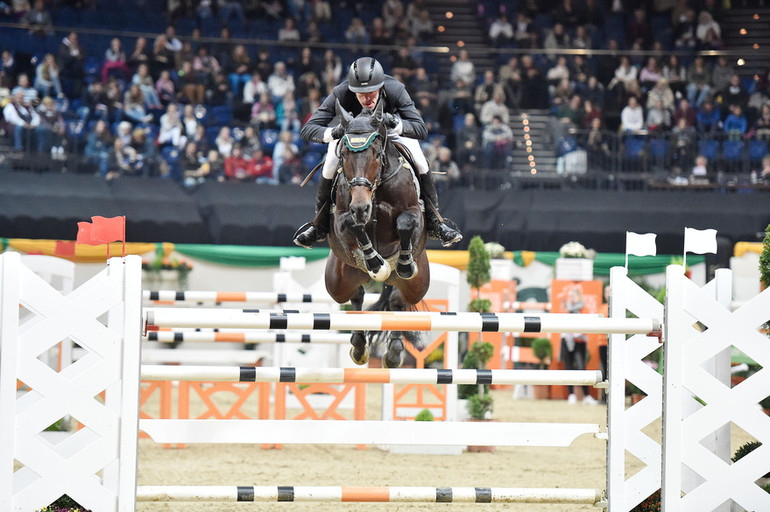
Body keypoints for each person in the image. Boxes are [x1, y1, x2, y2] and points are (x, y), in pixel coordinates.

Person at [294, 57, 462, 249]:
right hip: (352, 135)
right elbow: (308, 129)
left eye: (372, 92)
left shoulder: (395, 89)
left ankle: (435, 222)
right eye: (361, 94)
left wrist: (395, 123)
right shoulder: (341, 92)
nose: (367, 99)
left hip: (388, 131)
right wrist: (333, 132)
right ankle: (319, 224)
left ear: (381, 86)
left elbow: (420, 129)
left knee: (420, 161)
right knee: (330, 162)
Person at [560, 287, 598, 405]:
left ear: (578, 297)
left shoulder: (583, 309)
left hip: (579, 341)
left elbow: (587, 325)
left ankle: (586, 395)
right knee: (568, 367)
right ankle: (571, 394)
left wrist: (576, 332)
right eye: (569, 296)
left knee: (581, 367)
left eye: (573, 296)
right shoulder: (566, 309)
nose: (571, 298)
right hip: (567, 341)